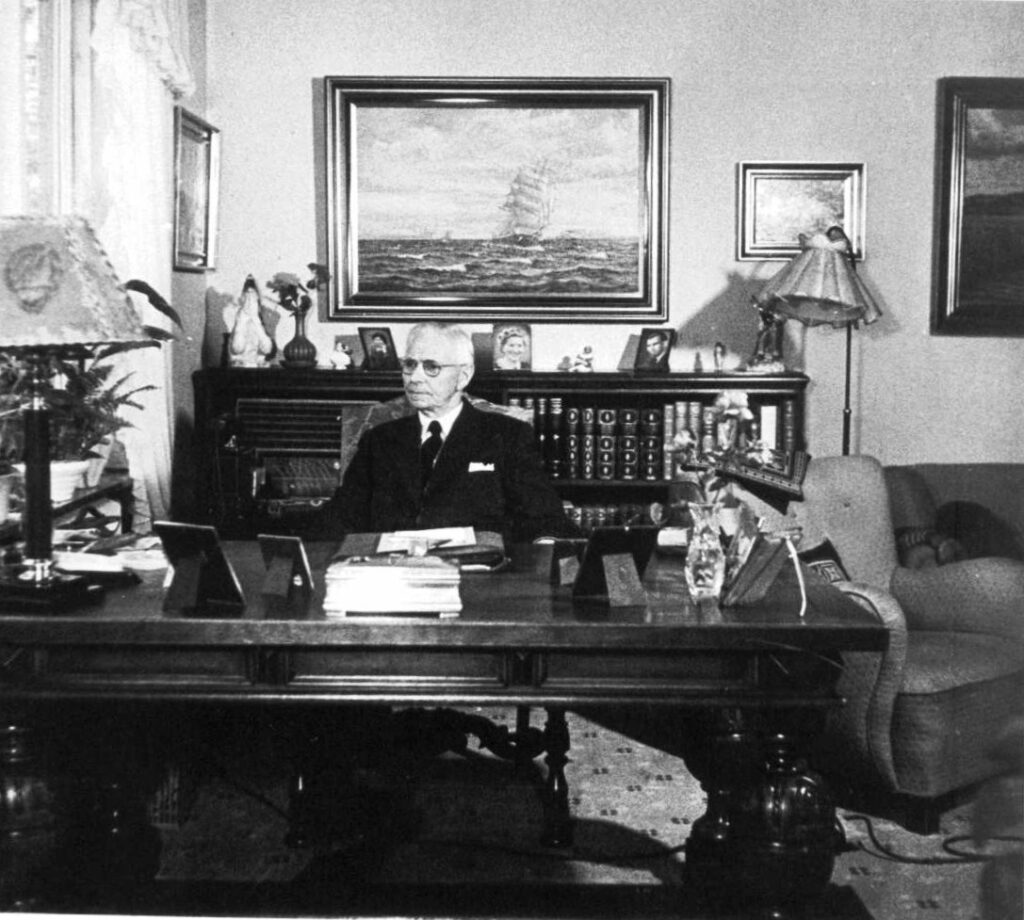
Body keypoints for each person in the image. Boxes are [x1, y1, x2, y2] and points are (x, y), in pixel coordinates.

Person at [327, 321, 578, 543]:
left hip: (477, 573)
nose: (415, 378)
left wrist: (545, 547)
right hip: (393, 571)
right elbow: (341, 516)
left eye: (431, 367)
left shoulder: (508, 436)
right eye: (410, 365)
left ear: (463, 376)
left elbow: (545, 517)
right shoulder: (379, 440)